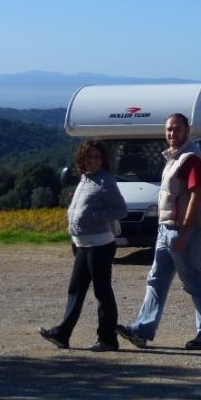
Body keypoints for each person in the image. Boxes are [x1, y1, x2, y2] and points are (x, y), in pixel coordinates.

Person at [116, 113, 201, 350]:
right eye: (169, 129)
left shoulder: (190, 158)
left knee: (193, 281)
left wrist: (185, 232)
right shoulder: (174, 158)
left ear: (187, 130)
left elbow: (197, 195)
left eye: (176, 129)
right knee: (156, 279)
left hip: (183, 230)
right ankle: (141, 330)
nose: (172, 133)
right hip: (165, 228)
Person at [39, 139, 127, 352]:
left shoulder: (105, 180)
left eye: (97, 157)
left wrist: (95, 216)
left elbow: (121, 209)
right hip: (82, 243)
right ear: (82, 159)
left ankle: (107, 339)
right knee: (75, 289)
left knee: (102, 291)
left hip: (100, 244)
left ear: (102, 159)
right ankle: (62, 334)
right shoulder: (85, 179)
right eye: (89, 157)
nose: (93, 160)